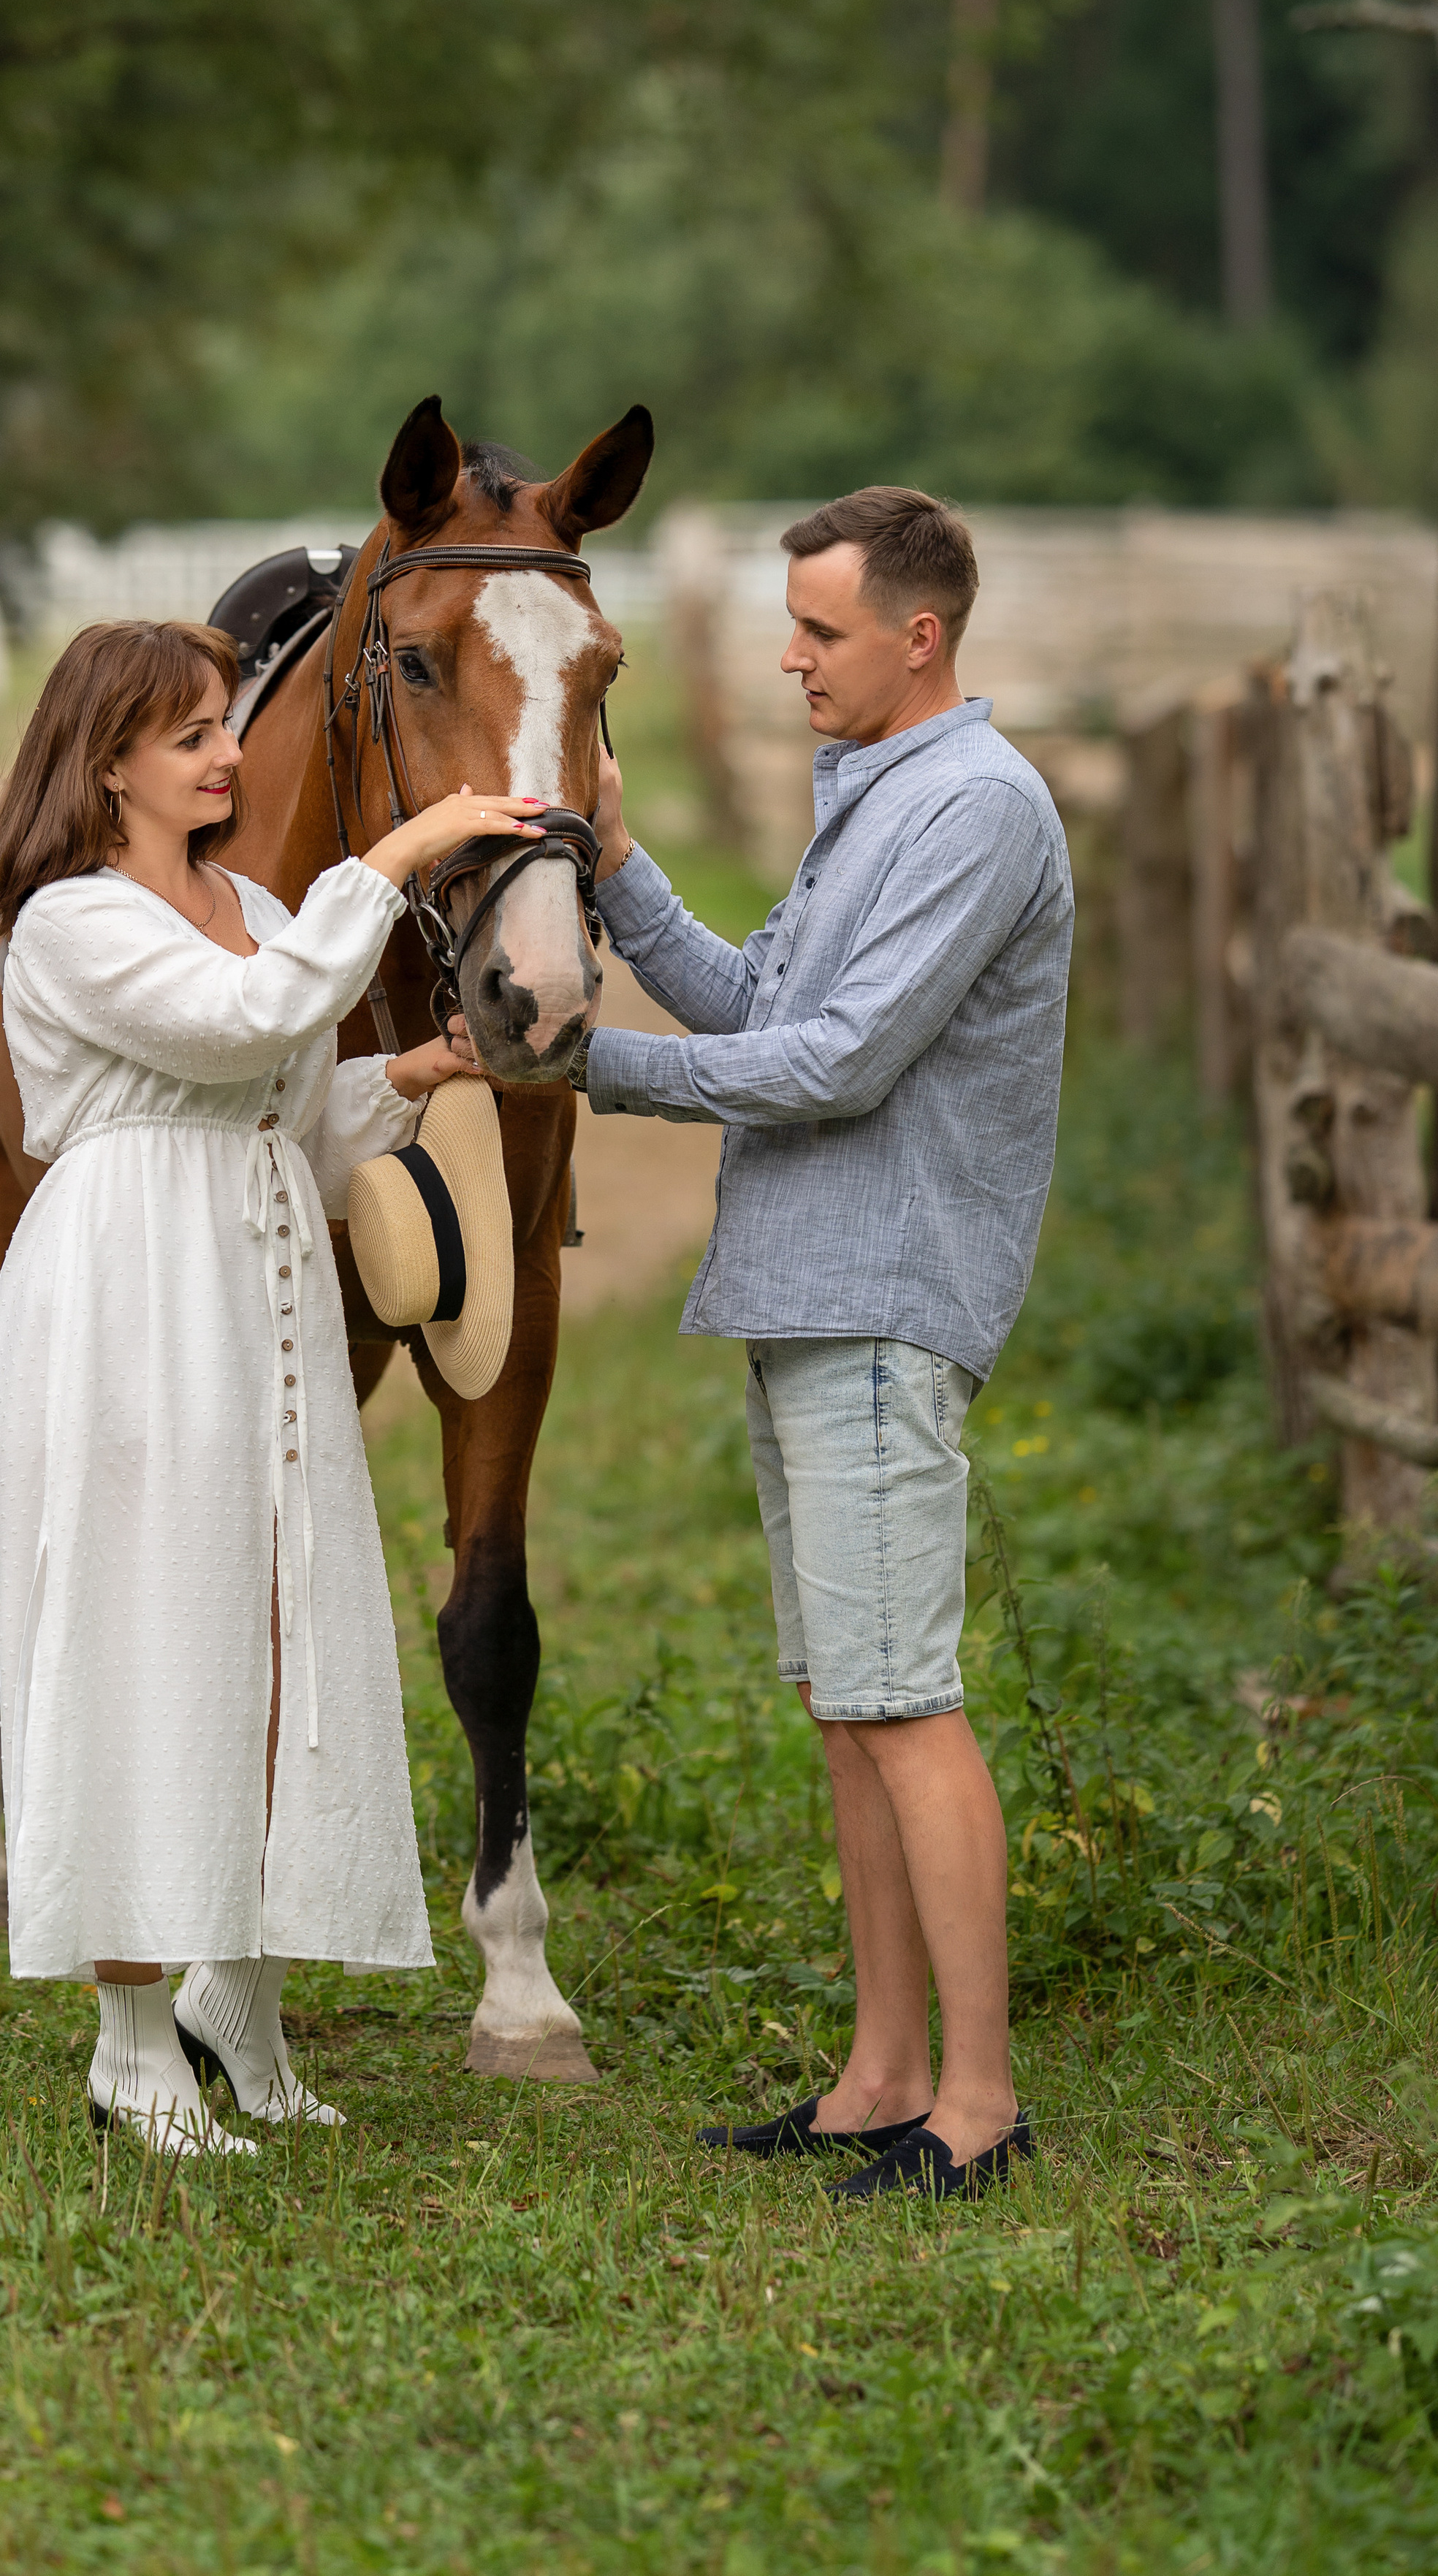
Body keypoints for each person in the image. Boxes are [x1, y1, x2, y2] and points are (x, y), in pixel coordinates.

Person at [0, 617, 547, 2157]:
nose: (230, 753)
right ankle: (127, 2036)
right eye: (191, 736)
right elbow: (236, 1026)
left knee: (273, 1620)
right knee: (134, 1624)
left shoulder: (247, 903)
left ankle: (239, 1995)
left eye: (227, 724)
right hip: (123, 1286)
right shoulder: (68, 925)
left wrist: (408, 1079)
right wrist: (411, 844)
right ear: (106, 765)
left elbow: (290, 1105)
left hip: (257, 1282)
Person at [572, 489, 1072, 2200]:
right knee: (845, 1707)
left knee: (903, 1705)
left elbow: (841, 1061)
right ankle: (876, 2078)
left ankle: (980, 2106)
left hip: (875, 1300)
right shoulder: (873, 800)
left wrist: (582, 1068)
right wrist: (620, 870)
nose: (788, 658)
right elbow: (753, 1008)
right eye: (790, 625)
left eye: (820, 631)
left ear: (916, 636)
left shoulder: (976, 812)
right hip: (805, 1294)